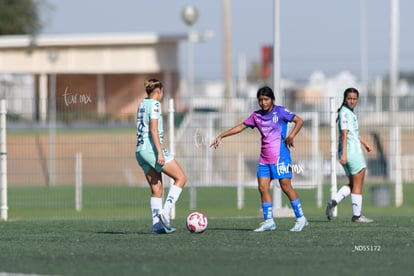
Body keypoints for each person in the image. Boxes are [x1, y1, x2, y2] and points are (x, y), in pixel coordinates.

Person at [210, 86, 308, 232]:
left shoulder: (280, 111)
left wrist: (291, 136)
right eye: (260, 100)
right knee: (262, 188)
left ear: (272, 99)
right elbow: (240, 127)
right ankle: (269, 221)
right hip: (264, 158)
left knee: (286, 186)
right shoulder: (256, 116)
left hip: (281, 157)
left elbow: (299, 121)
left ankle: (301, 218)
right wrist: (221, 135)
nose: (263, 102)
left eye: (266, 99)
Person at [135, 78, 187, 234]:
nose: (162, 95)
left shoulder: (142, 103)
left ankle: (157, 226)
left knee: (157, 188)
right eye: (162, 92)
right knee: (181, 178)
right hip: (151, 149)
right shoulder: (155, 104)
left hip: (139, 150)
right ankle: (166, 212)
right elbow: (153, 129)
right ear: (158, 91)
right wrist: (159, 152)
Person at [325, 87, 373, 223]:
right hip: (352, 152)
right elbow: (345, 134)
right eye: (349, 98)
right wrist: (344, 155)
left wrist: (365, 143)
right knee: (358, 183)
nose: (352, 101)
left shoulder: (348, 112)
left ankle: (334, 201)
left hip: (349, 151)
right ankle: (357, 216)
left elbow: (354, 133)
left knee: (353, 183)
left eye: (354, 99)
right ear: (345, 99)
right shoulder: (346, 113)